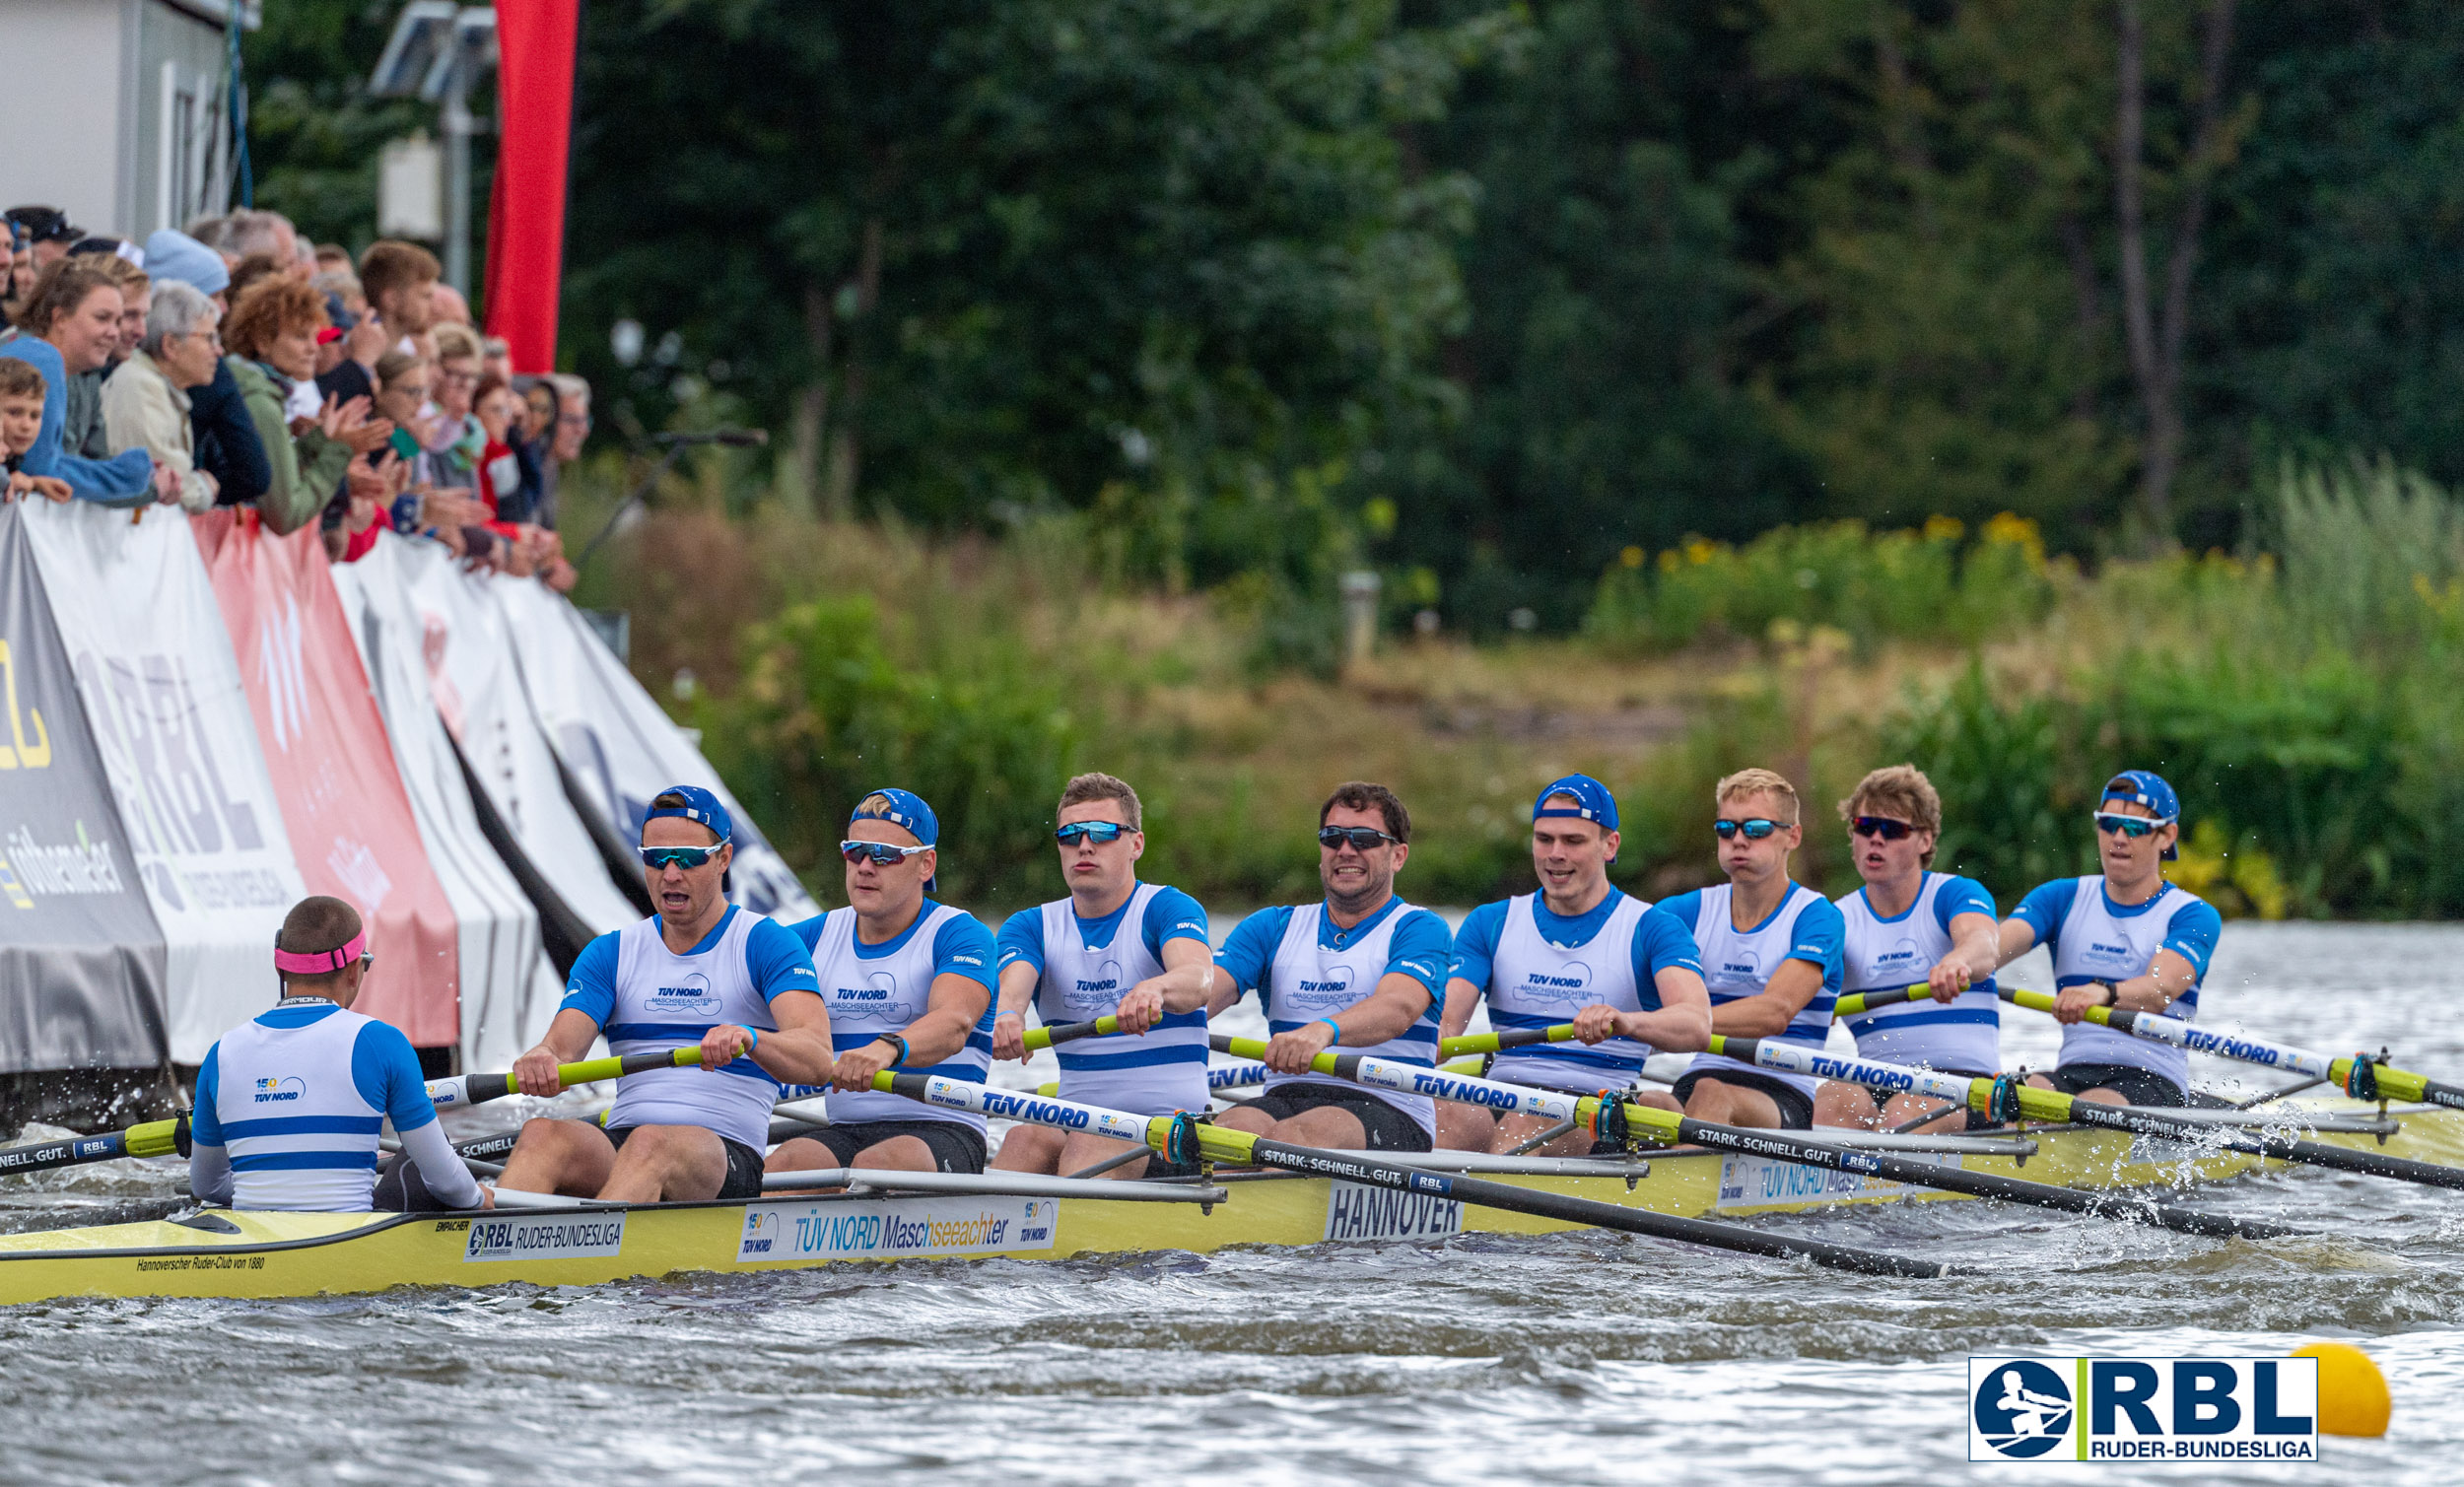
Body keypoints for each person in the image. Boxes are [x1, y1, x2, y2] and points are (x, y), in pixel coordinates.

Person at [497, 787, 836, 1201]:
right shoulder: (611, 952)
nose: (671, 874)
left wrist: (752, 1038)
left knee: (650, 1145)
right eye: (656, 859)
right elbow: (562, 1049)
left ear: (723, 859)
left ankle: (585, 1255)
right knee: (542, 1135)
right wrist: (543, 1058)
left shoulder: (766, 943)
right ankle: (485, 1254)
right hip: (625, 1144)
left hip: (722, 1154)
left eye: (689, 859)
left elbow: (818, 1059)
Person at [1435, 776, 1711, 1155]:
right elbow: (1446, 1024)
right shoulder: (1491, 922)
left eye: (1574, 841)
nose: (1555, 853)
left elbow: (1696, 1025)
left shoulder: (1652, 928)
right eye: (1544, 839)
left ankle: (1485, 1206)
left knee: (1527, 1120)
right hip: (1500, 1094)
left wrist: (1628, 1021)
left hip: (1597, 1108)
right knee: (1431, 1110)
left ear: (1609, 845)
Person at [187, 896, 491, 1214]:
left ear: (279, 967)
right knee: (420, 1159)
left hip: (255, 1248)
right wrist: (478, 1198)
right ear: (353, 970)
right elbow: (445, 1181)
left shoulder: (220, 1055)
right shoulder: (381, 1043)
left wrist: (277, 1189)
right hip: (350, 1248)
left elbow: (205, 1186)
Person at [989, 773, 1214, 1177]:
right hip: (1078, 1125)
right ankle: (993, 1236)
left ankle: (1062, 1233)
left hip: (1170, 1135)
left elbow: (1198, 978)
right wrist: (1006, 1017)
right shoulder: (1030, 926)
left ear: (1136, 844)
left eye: (1102, 832)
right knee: (1023, 1138)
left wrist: (1155, 988)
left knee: (1091, 1143)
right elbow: (1011, 992)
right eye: (1070, 835)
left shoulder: (1167, 908)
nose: (1085, 846)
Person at [1208, 782, 1453, 1152]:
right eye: (1332, 837)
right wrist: (1155, 1003)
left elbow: (1397, 1008)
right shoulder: (1271, 927)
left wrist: (1324, 1031)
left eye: (1364, 839)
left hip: (1390, 1105)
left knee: (1296, 1138)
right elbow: (1204, 994)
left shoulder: (1419, 928)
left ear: (1398, 855)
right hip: (1288, 1095)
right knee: (1225, 1134)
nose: (1345, 850)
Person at [769, 789, 1001, 1177]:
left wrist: (887, 1048)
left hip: (944, 1128)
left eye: (883, 855)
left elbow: (955, 1022)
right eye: (855, 851)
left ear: (926, 865)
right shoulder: (809, 938)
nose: (864, 866)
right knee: (785, 1166)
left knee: (878, 1166)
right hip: (846, 1129)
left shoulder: (960, 934)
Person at [1991, 771, 2222, 1108]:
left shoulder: (2192, 915)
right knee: (2027, 1093)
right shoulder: (2060, 897)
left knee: (2093, 1105)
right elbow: (1988, 952)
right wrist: (1957, 966)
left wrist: (2102, 991)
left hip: (2152, 1078)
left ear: (2167, 835)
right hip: (2073, 1073)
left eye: (2135, 827)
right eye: (2108, 824)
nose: (2118, 837)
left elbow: (2160, 991)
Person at [1634, 768, 1844, 1131]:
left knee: (1712, 1094)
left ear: (1792, 836)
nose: (1739, 840)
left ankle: (1681, 1183)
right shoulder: (1683, 913)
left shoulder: (1817, 917)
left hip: (1782, 1089)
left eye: (1757, 829)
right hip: (1698, 1080)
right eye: (1726, 829)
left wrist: (1674, 1024)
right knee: (1646, 1103)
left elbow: (1775, 1012)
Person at [1813, 765, 2006, 1132]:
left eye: (1893, 830)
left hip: (1965, 1086)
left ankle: (1877, 1184)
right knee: (1827, 1103)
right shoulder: (1834, 918)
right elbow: (1806, 981)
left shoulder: (1953, 893)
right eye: (1865, 827)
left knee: (1901, 1115)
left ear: (1926, 841)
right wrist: (1809, 998)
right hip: (1876, 1080)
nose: (1875, 840)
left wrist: (1957, 961)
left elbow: (1983, 944)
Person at [222, 276, 390, 534]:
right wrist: (339, 450)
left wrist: (321, 440)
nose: (315, 349)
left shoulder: (253, 389)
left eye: (316, 337)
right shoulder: (259, 402)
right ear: (262, 340)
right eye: (301, 337)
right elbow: (286, 515)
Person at [0, 258, 157, 502]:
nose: (114, 332)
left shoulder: (44, 358)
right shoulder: (43, 359)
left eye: (117, 321)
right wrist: (130, 476)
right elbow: (41, 468)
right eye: (102, 318)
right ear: (60, 318)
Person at [102, 281, 224, 512]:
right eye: (209, 338)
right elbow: (172, 481)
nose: (219, 350)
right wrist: (202, 489)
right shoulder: (139, 387)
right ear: (170, 345)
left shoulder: (157, 385)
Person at [0, 359, 74, 503]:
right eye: (14, 412)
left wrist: (34, 483)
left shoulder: (13, 460)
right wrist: (6, 481)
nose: (26, 425)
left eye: (35, 416)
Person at [359, 239, 440, 355]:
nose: (435, 307)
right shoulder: (350, 355)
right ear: (391, 299)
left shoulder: (414, 352)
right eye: (425, 296)